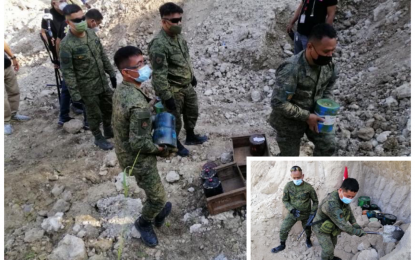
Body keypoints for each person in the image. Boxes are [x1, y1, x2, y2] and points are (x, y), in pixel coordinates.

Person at [113, 46, 172, 247]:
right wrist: (161, 150)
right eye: (138, 65)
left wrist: (151, 105)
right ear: (125, 72)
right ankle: (144, 223)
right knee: (158, 198)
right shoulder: (136, 106)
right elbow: (139, 143)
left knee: (153, 189)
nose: (144, 67)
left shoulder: (125, 89)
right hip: (139, 159)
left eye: (142, 62)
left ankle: (156, 208)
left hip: (127, 152)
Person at [148, 2, 208, 157]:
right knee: (174, 119)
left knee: (192, 111)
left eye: (180, 19)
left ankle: (190, 136)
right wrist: (167, 96)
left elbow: (185, 58)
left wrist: (191, 75)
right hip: (173, 88)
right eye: (174, 21)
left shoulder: (178, 37)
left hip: (186, 85)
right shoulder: (159, 45)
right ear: (163, 21)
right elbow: (159, 74)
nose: (178, 23)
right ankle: (175, 144)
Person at [269, 23, 338, 156]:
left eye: (332, 50)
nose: (330, 55)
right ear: (310, 46)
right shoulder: (291, 69)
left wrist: (326, 107)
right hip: (289, 121)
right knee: (290, 158)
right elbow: (278, 103)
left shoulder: (330, 66)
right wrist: (306, 116)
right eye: (325, 51)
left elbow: (328, 86)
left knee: (328, 146)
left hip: (316, 116)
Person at [59, 5, 117, 150]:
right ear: (68, 23)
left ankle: (109, 129)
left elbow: (102, 54)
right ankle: (98, 137)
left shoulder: (91, 34)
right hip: (87, 88)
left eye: (82, 18)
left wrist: (111, 73)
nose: (81, 22)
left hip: (102, 82)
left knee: (109, 107)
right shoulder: (67, 45)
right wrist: (75, 94)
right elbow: (68, 72)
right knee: (93, 115)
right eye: (76, 20)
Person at [56, 6, 104, 127]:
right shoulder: (77, 29)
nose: (96, 26)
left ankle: (64, 116)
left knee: (67, 89)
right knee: (82, 90)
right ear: (92, 21)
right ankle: (87, 121)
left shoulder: (71, 25)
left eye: (82, 18)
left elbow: (57, 42)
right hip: (75, 65)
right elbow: (59, 42)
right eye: (96, 24)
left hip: (70, 63)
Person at [312, 178, 366, 260]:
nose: (350, 199)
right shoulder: (331, 204)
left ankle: (330, 258)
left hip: (331, 225)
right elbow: (342, 225)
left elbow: (348, 210)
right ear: (340, 190)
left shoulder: (342, 197)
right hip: (320, 227)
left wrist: (354, 223)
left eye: (352, 197)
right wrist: (357, 232)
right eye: (348, 196)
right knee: (327, 250)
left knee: (333, 244)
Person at [271, 166, 318, 253]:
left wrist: (312, 213)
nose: (296, 179)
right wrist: (291, 209)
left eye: (298, 177)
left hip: (306, 214)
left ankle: (308, 239)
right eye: (294, 178)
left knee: (307, 229)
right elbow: (285, 200)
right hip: (293, 214)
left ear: (302, 176)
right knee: (283, 228)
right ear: (291, 176)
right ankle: (282, 244)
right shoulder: (288, 186)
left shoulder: (309, 188)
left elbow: (315, 201)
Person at [4, 42, 31, 135]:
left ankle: (13, 114)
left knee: (14, 91)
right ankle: (5, 121)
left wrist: (13, 57)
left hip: (6, 66)